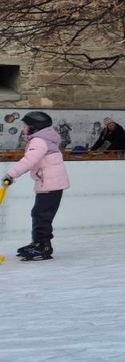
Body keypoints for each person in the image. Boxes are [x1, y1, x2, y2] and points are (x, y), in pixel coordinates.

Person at [5, 111, 70, 261]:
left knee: (42, 215)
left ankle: (43, 246)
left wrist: (10, 175)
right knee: (39, 213)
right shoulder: (44, 139)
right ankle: (37, 243)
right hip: (49, 183)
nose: (23, 129)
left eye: (25, 126)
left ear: (34, 127)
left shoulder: (39, 141)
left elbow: (29, 161)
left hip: (49, 183)